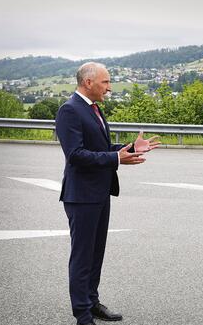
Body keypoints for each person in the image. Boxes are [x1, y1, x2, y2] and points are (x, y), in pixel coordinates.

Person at [56, 62, 160, 325]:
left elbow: (99, 146)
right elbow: (76, 155)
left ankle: (92, 302)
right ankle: (82, 314)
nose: (110, 87)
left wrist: (130, 147)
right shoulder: (69, 110)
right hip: (81, 196)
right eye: (105, 82)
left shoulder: (94, 108)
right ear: (88, 82)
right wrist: (116, 158)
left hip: (100, 192)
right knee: (82, 256)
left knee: (95, 253)